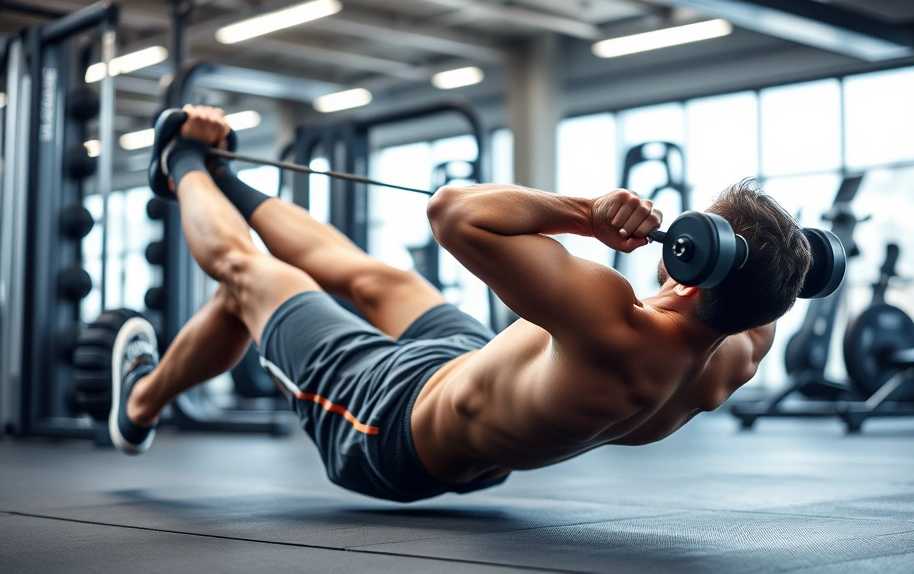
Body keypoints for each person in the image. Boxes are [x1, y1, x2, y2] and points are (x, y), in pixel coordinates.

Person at [110, 105, 812, 503]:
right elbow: (778, 272)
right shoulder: (742, 347)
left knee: (248, 277)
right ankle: (227, 180)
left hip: (387, 426)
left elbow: (454, 213)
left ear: (693, 263)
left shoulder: (611, 319)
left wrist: (588, 216)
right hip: (464, 383)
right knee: (373, 278)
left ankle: (180, 163)